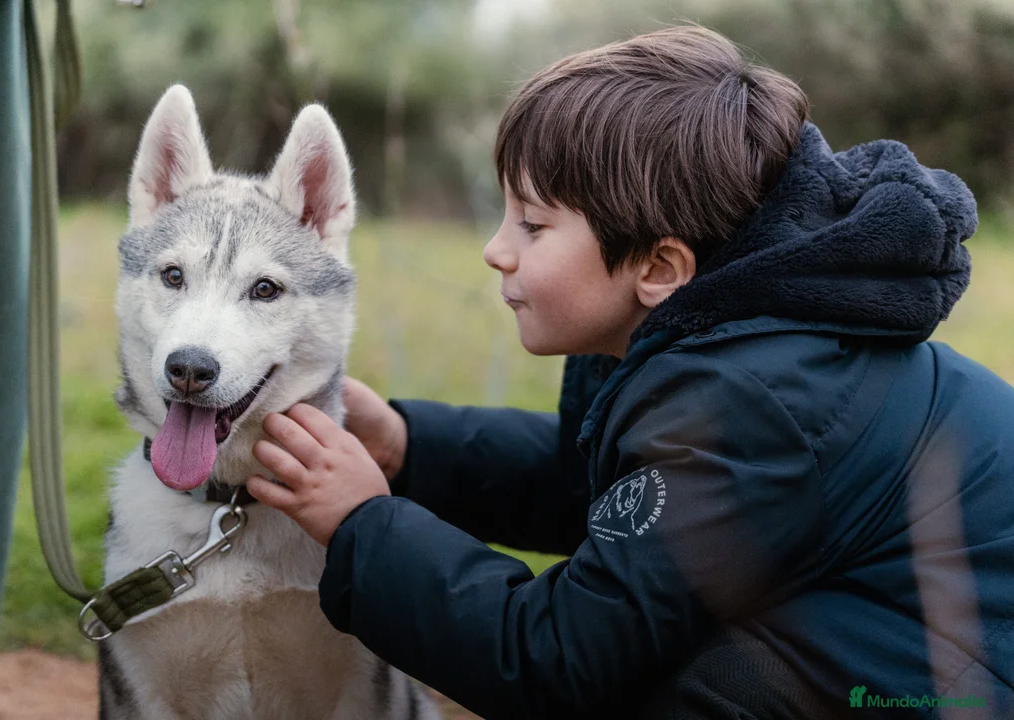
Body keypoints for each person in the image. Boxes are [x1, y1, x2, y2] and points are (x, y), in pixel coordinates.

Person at [246, 26, 1014, 718]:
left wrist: (362, 527)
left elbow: (557, 661)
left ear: (658, 266)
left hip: (959, 687)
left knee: (685, 688)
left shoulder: (749, 404)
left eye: (533, 224)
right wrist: (410, 447)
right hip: (904, 630)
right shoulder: (723, 330)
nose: (496, 249)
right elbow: (621, 495)